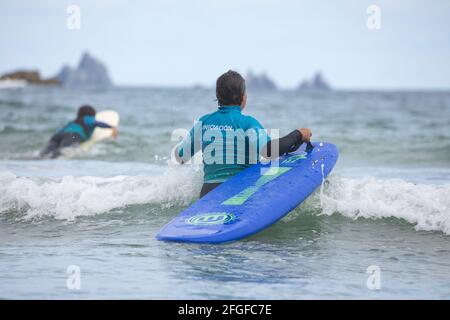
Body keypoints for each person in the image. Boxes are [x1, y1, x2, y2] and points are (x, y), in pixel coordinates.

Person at [174, 70, 312, 198]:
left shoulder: (203, 122)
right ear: (242, 97)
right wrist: (298, 134)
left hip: (208, 194)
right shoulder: (247, 123)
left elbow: (181, 156)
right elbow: (269, 151)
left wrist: (179, 150)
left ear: (218, 96)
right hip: (241, 193)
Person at [40, 105, 118, 158]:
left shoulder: (74, 121)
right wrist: (111, 127)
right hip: (72, 135)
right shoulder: (88, 118)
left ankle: (42, 156)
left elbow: (62, 130)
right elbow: (97, 123)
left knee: (48, 151)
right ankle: (53, 158)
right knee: (63, 151)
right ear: (92, 114)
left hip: (58, 135)